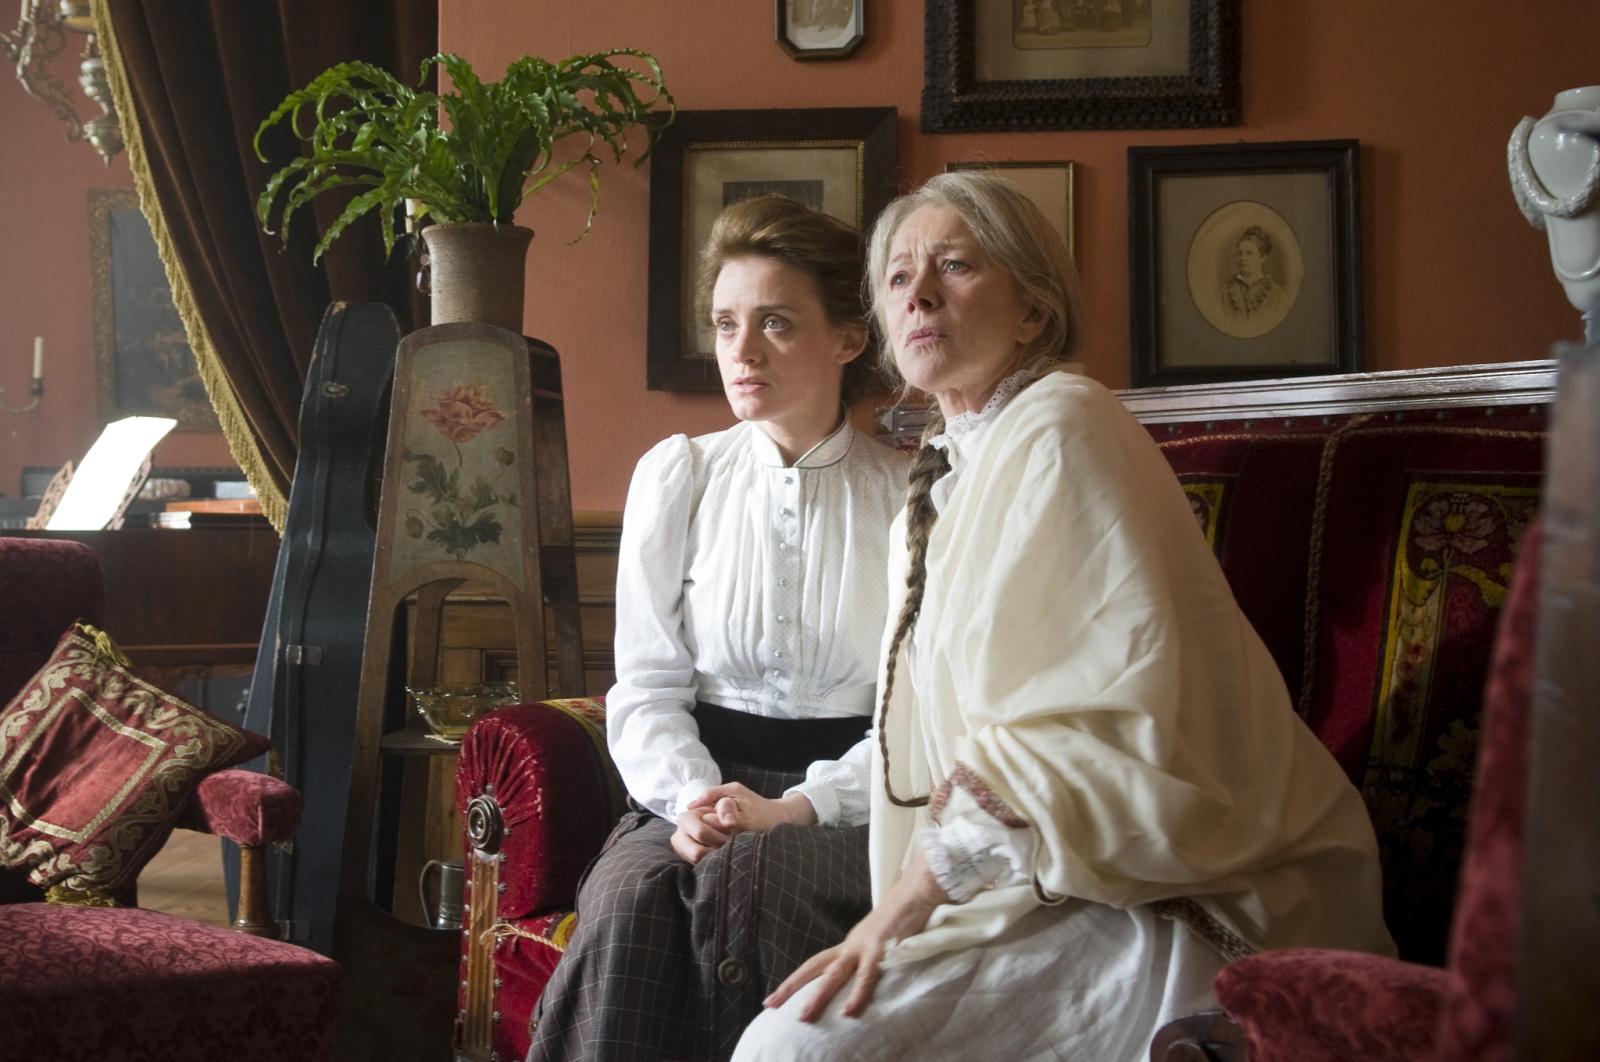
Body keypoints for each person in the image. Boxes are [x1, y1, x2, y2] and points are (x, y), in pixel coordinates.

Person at [734, 172, 1394, 1061]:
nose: (918, 293)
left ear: (1035, 312)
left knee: (795, 1050)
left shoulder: (1062, 424)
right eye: (896, 277)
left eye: (955, 265)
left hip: (1179, 891)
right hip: (1035, 876)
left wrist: (894, 917)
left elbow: (1096, 724)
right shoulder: (941, 482)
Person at [528, 195, 909, 1062]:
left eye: (775, 322)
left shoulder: (911, 497)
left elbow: (911, 718)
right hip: (690, 788)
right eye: (726, 323)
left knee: (762, 878)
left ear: (848, 339)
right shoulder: (681, 476)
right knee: (633, 899)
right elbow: (647, 685)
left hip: (850, 803)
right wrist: (694, 801)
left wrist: (797, 808)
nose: (741, 351)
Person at [1224, 224, 1288, 320]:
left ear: (1263, 257)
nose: (1242, 258)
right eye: (1239, 253)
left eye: (1249, 253)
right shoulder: (1224, 292)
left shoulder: (1278, 294)